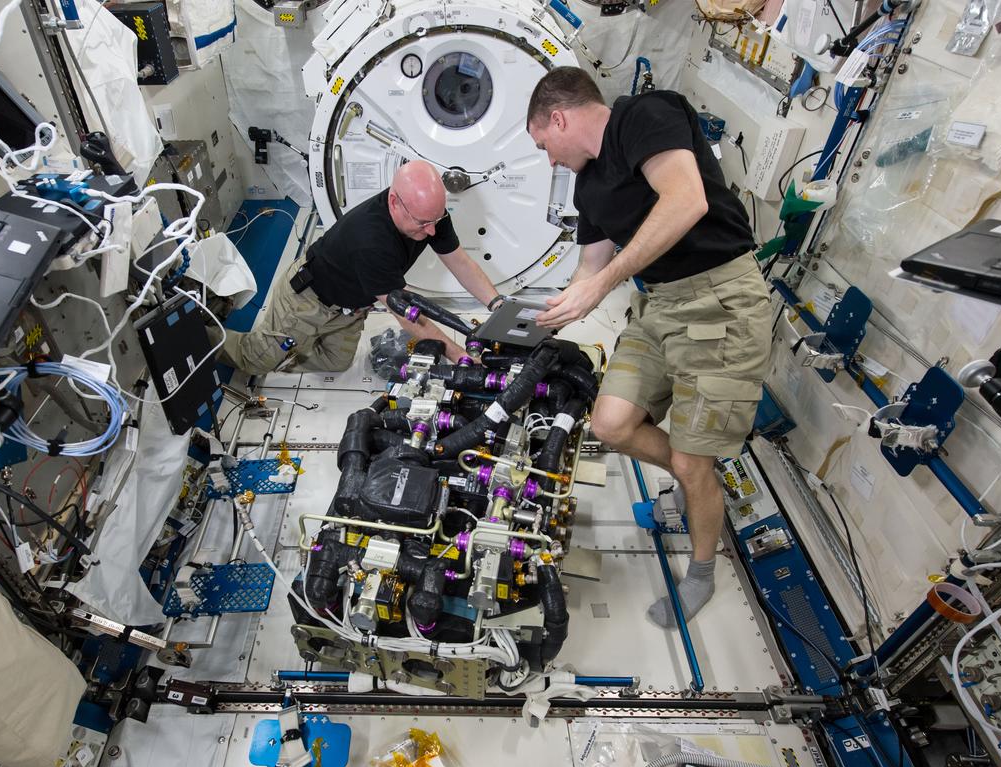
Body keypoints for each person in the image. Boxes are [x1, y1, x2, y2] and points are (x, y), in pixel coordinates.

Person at [526, 67, 772, 628]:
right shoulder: (588, 186)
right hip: (658, 305)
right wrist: (541, 317)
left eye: (544, 145)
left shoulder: (644, 114)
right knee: (611, 424)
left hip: (722, 304)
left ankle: (703, 569)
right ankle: (697, 483)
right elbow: (587, 270)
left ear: (559, 117)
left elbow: (686, 201)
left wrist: (604, 282)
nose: (550, 160)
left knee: (691, 457)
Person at [219, 161, 498, 374]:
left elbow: (460, 262)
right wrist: (461, 357)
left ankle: (291, 346)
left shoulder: (430, 215)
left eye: (436, 219)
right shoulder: (372, 241)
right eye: (423, 223)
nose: (431, 230)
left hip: (349, 308)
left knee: (337, 363)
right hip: (307, 301)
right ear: (394, 201)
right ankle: (203, 334)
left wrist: (497, 305)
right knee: (254, 361)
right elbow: (409, 316)